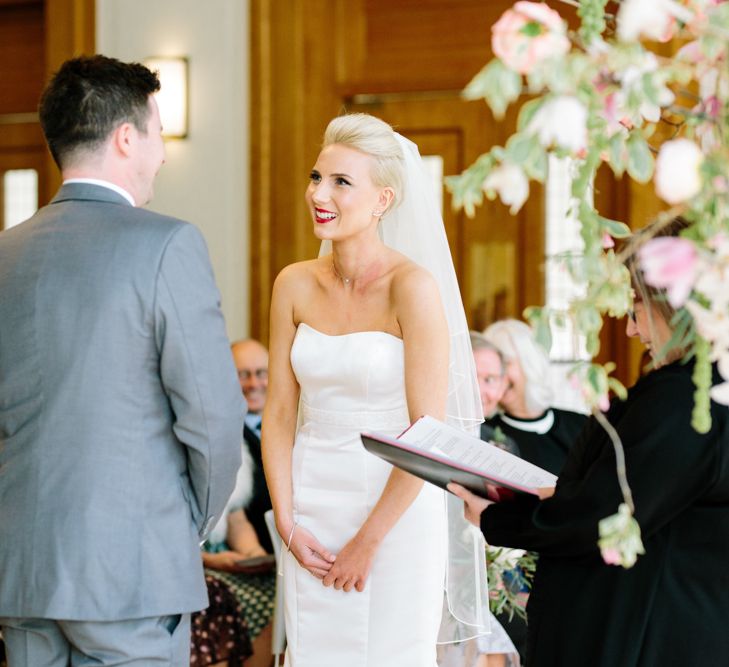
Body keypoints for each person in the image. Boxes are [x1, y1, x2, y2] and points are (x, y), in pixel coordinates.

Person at [0, 55, 244, 666]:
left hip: (23, 571)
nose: (161, 152)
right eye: (158, 134)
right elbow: (213, 417)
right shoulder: (168, 244)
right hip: (132, 571)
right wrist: (185, 524)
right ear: (127, 137)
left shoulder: (5, 254)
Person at [450, 217, 729, 666]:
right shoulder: (705, 391)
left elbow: (605, 518)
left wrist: (498, 518)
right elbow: (643, 495)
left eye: (637, 305)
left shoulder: (685, 399)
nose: (633, 329)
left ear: (672, 303)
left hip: (652, 633)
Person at [262, 113, 487, 666]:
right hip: (310, 506)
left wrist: (368, 542)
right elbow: (279, 413)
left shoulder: (412, 288)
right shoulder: (291, 284)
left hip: (398, 510)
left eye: (342, 182)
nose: (320, 193)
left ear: (383, 200)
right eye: (317, 177)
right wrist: (287, 524)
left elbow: (427, 433)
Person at [482, 319, 588, 476]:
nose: (497, 376)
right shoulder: (485, 435)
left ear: (530, 363)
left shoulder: (581, 424)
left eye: (505, 364)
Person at [232, 338, 273, 553]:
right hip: (247, 555)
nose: (254, 384)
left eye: (261, 373)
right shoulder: (221, 436)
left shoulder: (295, 427)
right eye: (242, 375)